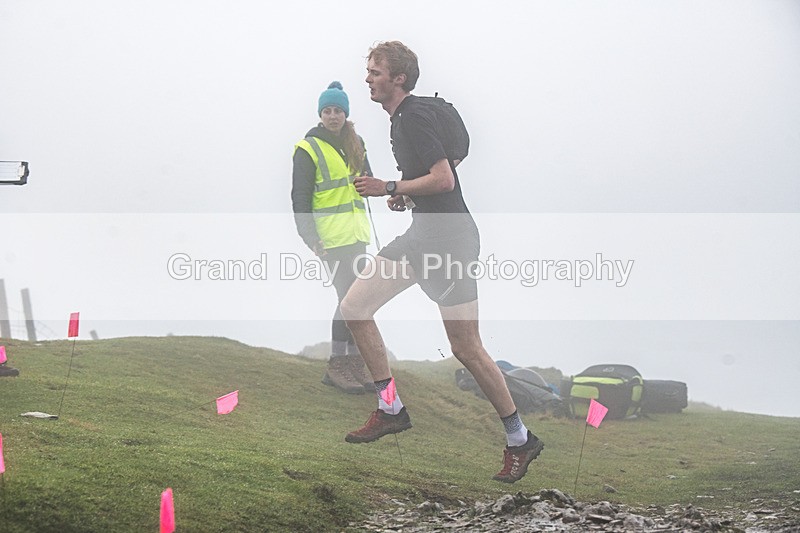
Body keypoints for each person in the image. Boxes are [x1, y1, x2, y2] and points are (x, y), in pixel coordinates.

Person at [340, 41, 544, 483]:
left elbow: (445, 178)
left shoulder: (412, 116)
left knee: (465, 347)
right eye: (369, 71)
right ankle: (390, 407)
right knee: (355, 308)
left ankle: (519, 438)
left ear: (398, 78)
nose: (368, 78)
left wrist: (390, 186)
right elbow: (442, 170)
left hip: (450, 241)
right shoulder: (404, 119)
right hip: (423, 236)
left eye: (376, 71)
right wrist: (408, 193)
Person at [291, 81, 374, 395]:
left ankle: (353, 362)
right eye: (327, 110)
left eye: (338, 110)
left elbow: (367, 180)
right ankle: (337, 365)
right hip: (329, 238)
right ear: (320, 114)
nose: (332, 116)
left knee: (359, 299)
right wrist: (309, 237)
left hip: (356, 234)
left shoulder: (356, 143)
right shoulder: (307, 148)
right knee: (348, 299)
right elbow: (300, 197)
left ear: (346, 113)